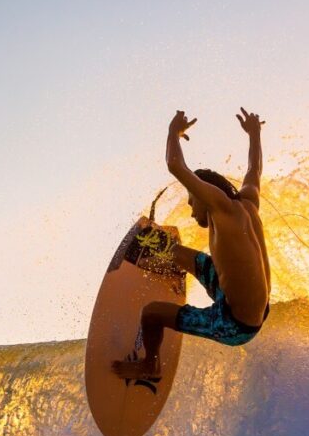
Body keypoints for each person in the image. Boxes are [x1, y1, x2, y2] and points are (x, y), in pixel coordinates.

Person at [112, 108, 271, 381]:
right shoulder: (248, 202)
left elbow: (175, 165)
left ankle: (150, 365)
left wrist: (173, 131)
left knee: (151, 314)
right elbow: (254, 169)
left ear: (205, 196)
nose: (191, 210)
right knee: (179, 255)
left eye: (191, 201)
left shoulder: (220, 206)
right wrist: (254, 134)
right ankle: (165, 267)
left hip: (235, 323)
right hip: (242, 301)